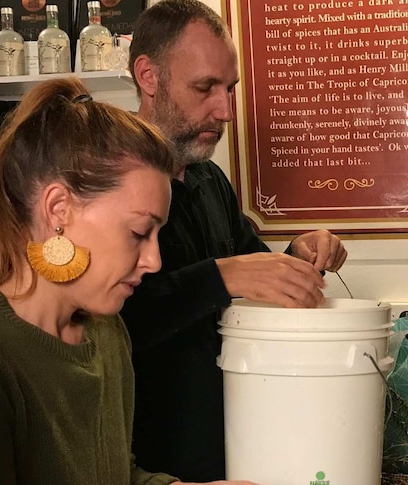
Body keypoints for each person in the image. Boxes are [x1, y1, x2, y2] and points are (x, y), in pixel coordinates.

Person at [0, 77, 254, 485]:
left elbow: (114, 473)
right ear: (58, 209)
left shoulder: (107, 334)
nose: (154, 260)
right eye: (139, 233)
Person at [121, 0, 349, 481]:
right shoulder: (106, 180)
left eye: (229, 89)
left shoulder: (209, 180)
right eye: (205, 88)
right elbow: (112, 321)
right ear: (148, 76)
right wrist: (222, 276)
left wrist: (297, 256)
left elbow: (252, 275)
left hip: (233, 440)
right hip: (148, 460)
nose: (225, 110)